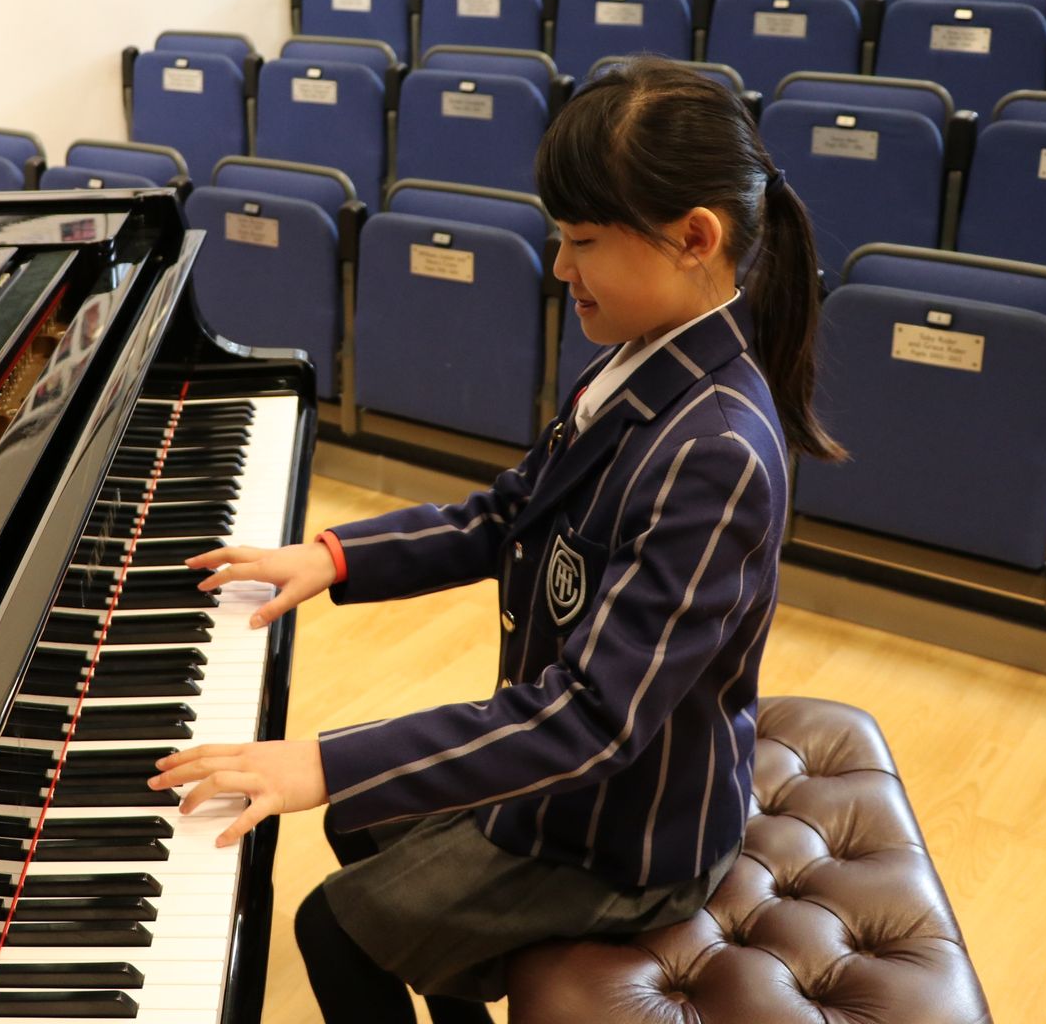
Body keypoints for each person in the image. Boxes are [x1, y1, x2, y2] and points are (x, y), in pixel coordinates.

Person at [149, 57, 843, 1022]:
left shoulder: (714, 452)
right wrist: (335, 557)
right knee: (362, 822)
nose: (559, 269)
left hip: (631, 833)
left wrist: (320, 757)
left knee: (332, 925)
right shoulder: (643, 366)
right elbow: (506, 514)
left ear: (694, 239)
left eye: (583, 242)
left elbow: (592, 720)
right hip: (579, 774)